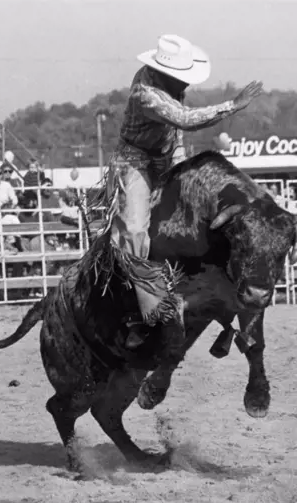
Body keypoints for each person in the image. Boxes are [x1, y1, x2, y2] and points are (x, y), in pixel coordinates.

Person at [106, 34, 263, 349]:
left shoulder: (170, 87)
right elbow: (183, 119)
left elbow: (175, 130)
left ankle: (218, 291)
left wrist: (180, 166)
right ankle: (140, 313)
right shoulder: (145, 94)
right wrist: (232, 106)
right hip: (134, 161)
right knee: (135, 230)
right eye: (181, 76)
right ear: (165, 72)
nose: (186, 84)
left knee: (200, 208)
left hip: (164, 156)